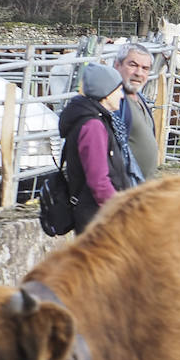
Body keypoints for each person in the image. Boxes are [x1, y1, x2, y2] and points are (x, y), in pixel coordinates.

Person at [57, 62, 143, 233]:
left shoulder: (95, 120)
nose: (121, 96)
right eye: (118, 90)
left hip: (99, 215)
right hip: (99, 219)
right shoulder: (93, 126)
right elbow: (99, 181)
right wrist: (121, 212)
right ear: (106, 92)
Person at [113, 42, 159, 180]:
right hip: (123, 187)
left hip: (142, 187)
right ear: (117, 65)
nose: (139, 73)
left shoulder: (139, 98)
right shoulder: (114, 101)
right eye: (133, 65)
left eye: (145, 68)